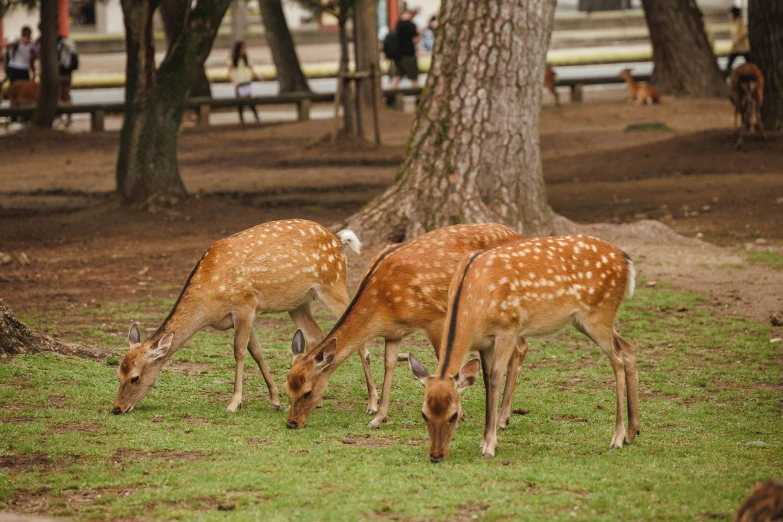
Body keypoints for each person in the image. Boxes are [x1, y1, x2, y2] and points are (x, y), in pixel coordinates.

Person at [228, 41, 261, 124]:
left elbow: (251, 69)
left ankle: (256, 117)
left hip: (246, 82)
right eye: (243, 48)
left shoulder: (246, 59)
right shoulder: (233, 60)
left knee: (250, 101)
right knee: (240, 102)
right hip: (239, 83)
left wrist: (259, 76)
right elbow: (229, 73)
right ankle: (241, 119)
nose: (244, 50)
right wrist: (233, 82)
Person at [388, 7, 421, 89]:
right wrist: (421, 34)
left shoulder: (398, 24)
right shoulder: (411, 25)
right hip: (409, 54)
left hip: (398, 55)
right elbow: (415, 40)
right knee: (414, 78)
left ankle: (389, 94)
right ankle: (418, 97)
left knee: (398, 76)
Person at [56, 35, 79, 127]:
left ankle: (58, 118)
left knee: (58, 97)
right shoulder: (69, 43)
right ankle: (69, 117)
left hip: (59, 73)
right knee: (67, 96)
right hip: (68, 74)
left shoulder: (56, 44)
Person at [726, 6, 750, 74]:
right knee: (730, 62)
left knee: (749, 61)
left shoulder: (741, 22)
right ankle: (727, 73)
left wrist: (737, 42)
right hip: (736, 47)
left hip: (742, 46)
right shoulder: (734, 22)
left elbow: (744, 34)